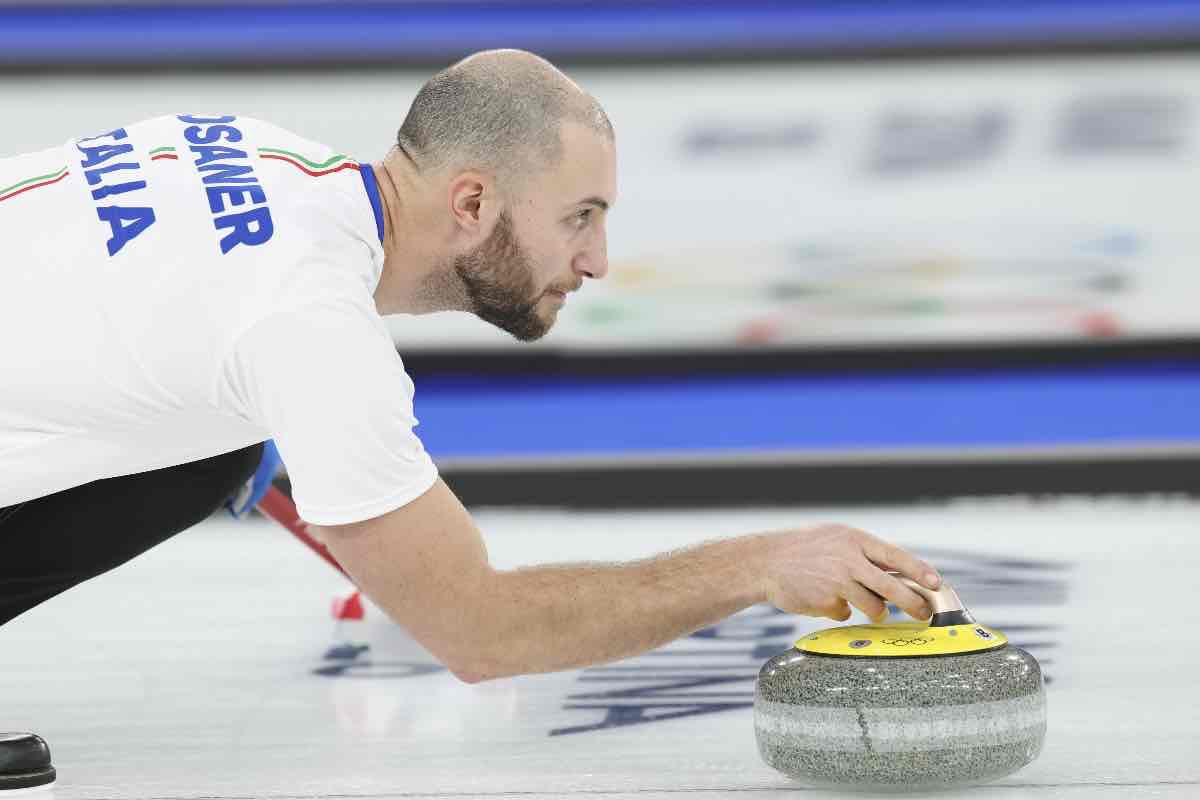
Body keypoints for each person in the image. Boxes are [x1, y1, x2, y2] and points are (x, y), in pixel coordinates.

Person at [0, 50, 942, 790]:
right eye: (580, 217)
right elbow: (483, 633)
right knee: (221, 442)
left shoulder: (253, 152)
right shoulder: (310, 326)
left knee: (219, 446)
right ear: (473, 201)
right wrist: (760, 564)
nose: (599, 259)